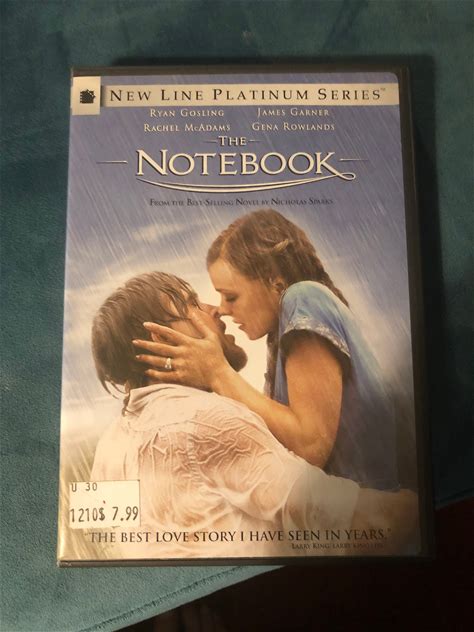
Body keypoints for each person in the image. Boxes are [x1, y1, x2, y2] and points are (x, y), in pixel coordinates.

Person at [91, 271, 417, 560]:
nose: (215, 309)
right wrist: (418, 506)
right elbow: (368, 526)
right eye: (192, 304)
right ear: (162, 339)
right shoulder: (207, 420)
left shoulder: (107, 450)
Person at [135, 210, 398, 490]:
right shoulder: (279, 336)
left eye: (231, 296)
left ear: (276, 282)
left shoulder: (303, 298)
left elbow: (311, 446)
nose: (223, 309)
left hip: (381, 504)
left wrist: (217, 373)